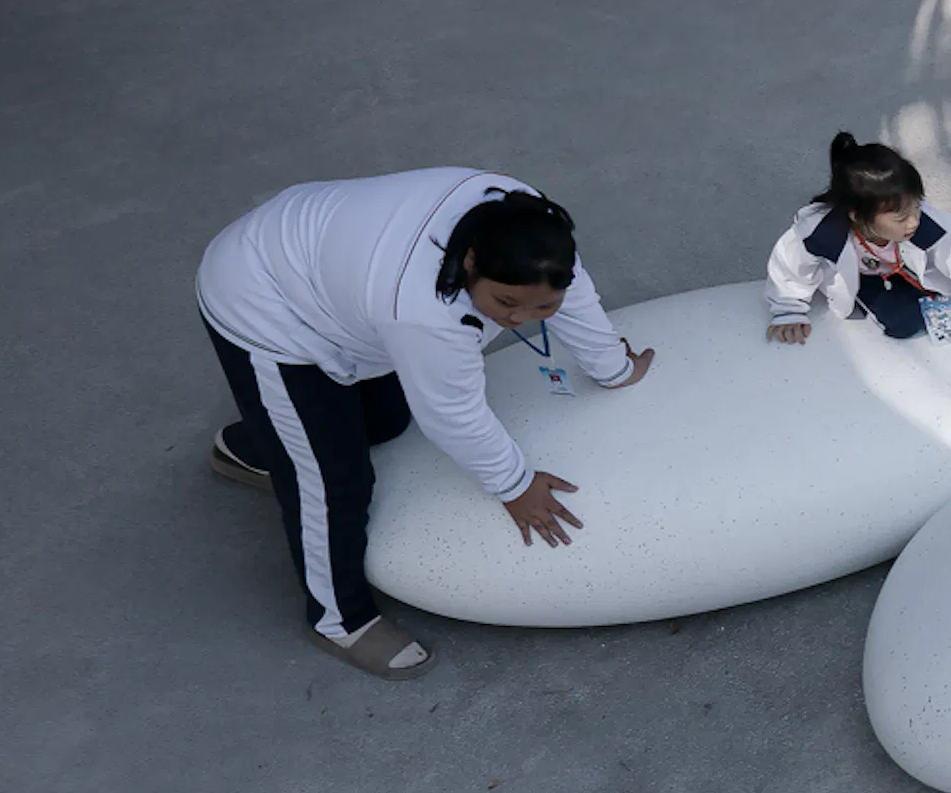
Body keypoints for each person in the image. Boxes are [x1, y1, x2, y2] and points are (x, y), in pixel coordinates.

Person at [197, 170, 652, 677]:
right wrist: (515, 485)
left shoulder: (530, 230)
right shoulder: (424, 310)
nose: (521, 318)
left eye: (542, 307)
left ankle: (256, 447)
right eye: (506, 303)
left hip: (334, 284)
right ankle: (338, 620)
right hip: (266, 305)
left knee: (388, 420)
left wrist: (613, 367)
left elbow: (573, 294)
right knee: (336, 481)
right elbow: (451, 414)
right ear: (472, 262)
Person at [764, 131, 951, 345]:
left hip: (931, 267)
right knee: (900, 325)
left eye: (915, 207)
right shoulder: (822, 232)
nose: (913, 221)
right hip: (874, 277)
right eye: (900, 217)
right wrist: (789, 307)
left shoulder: (933, 230)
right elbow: (789, 265)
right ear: (856, 216)